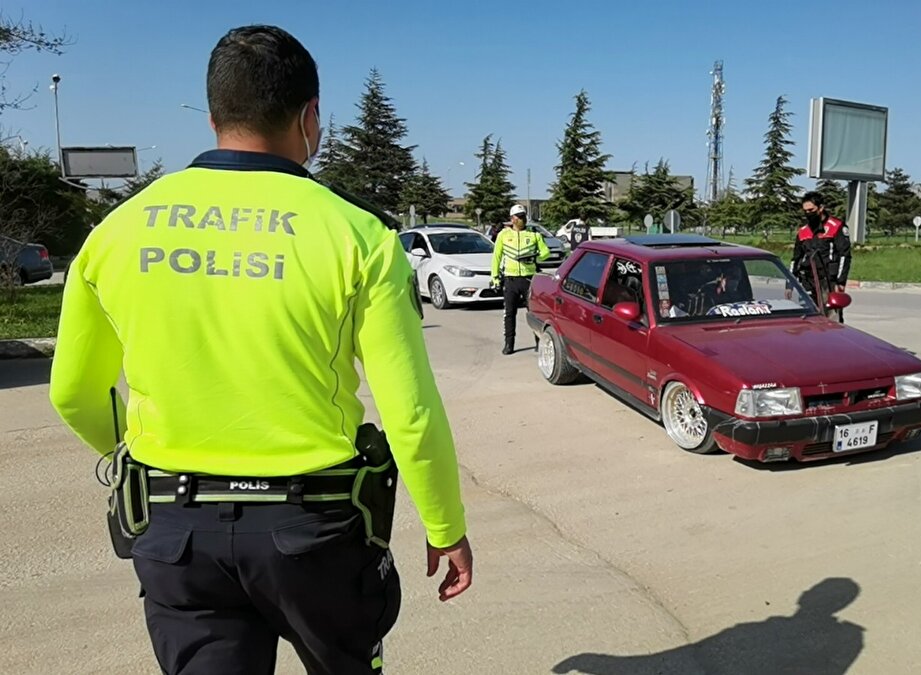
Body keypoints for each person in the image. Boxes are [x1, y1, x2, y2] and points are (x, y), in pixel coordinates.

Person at [47, 25, 472, 675]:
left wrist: (129, 449)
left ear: (214, 115)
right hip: (316, 536)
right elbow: (409, 414)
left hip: (176, 532)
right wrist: (446, 528)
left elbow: (72, 392)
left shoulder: (117, 231)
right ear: (310, 119)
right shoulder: (358, 235)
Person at [491, 203, 550, 354]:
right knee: (509, 313)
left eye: (523, 216)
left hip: (528, 279)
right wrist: (495, 277)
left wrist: (534, 256)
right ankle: (509, 344)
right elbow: (496, 257)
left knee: (533, 312)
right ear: (512, 218)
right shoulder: (504, 235)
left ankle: (538, 341)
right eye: (519, 217)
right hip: (510, 279)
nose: (522, 219)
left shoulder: (534, 235)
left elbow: (546, 253)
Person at [793, 191, 852, 322]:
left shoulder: (836, 227)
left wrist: (840, 281)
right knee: (807, 318)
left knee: (831, 318)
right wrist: (790, 283)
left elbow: (844, 255)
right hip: (807, 280)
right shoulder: (803, 231)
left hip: (828, 280)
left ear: (821, 208)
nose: (808, 213)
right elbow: (796, 258)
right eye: (805, 211)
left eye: (811, 210)